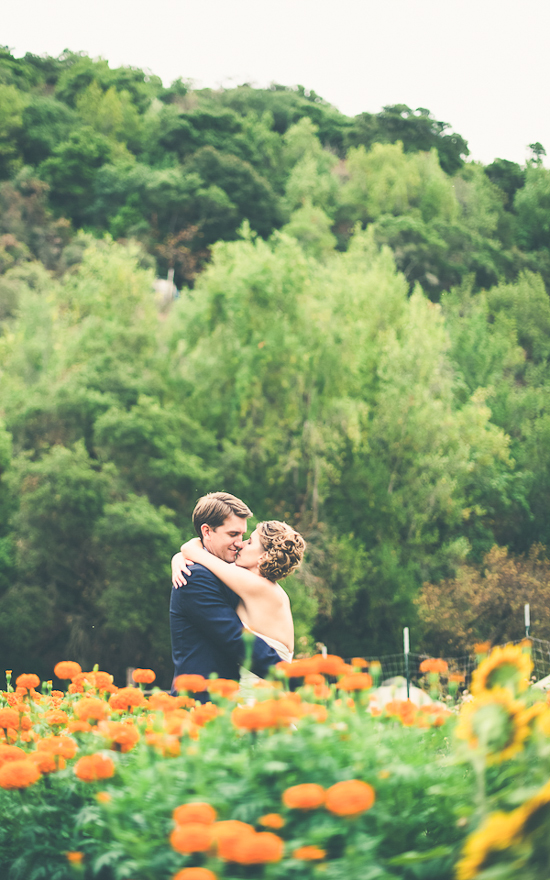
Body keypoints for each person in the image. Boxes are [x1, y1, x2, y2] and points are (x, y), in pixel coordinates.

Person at [169, 492, 287, 697]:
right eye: (233, 535)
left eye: (243, 535)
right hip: (201, 702)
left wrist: (185, 551)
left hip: (230, 702)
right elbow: (235, 638)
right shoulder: (194, 577)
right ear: (207, 531)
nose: (240, 543)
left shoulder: (232, 571)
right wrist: (292, 678)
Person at [176, 519, 305, 664]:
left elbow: (191, 550)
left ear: (264, 556)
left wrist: (178, 558)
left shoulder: (256, 586)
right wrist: (180, 557)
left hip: (259, 681)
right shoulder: (270, 588)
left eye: (249, 542)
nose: (240, 544)